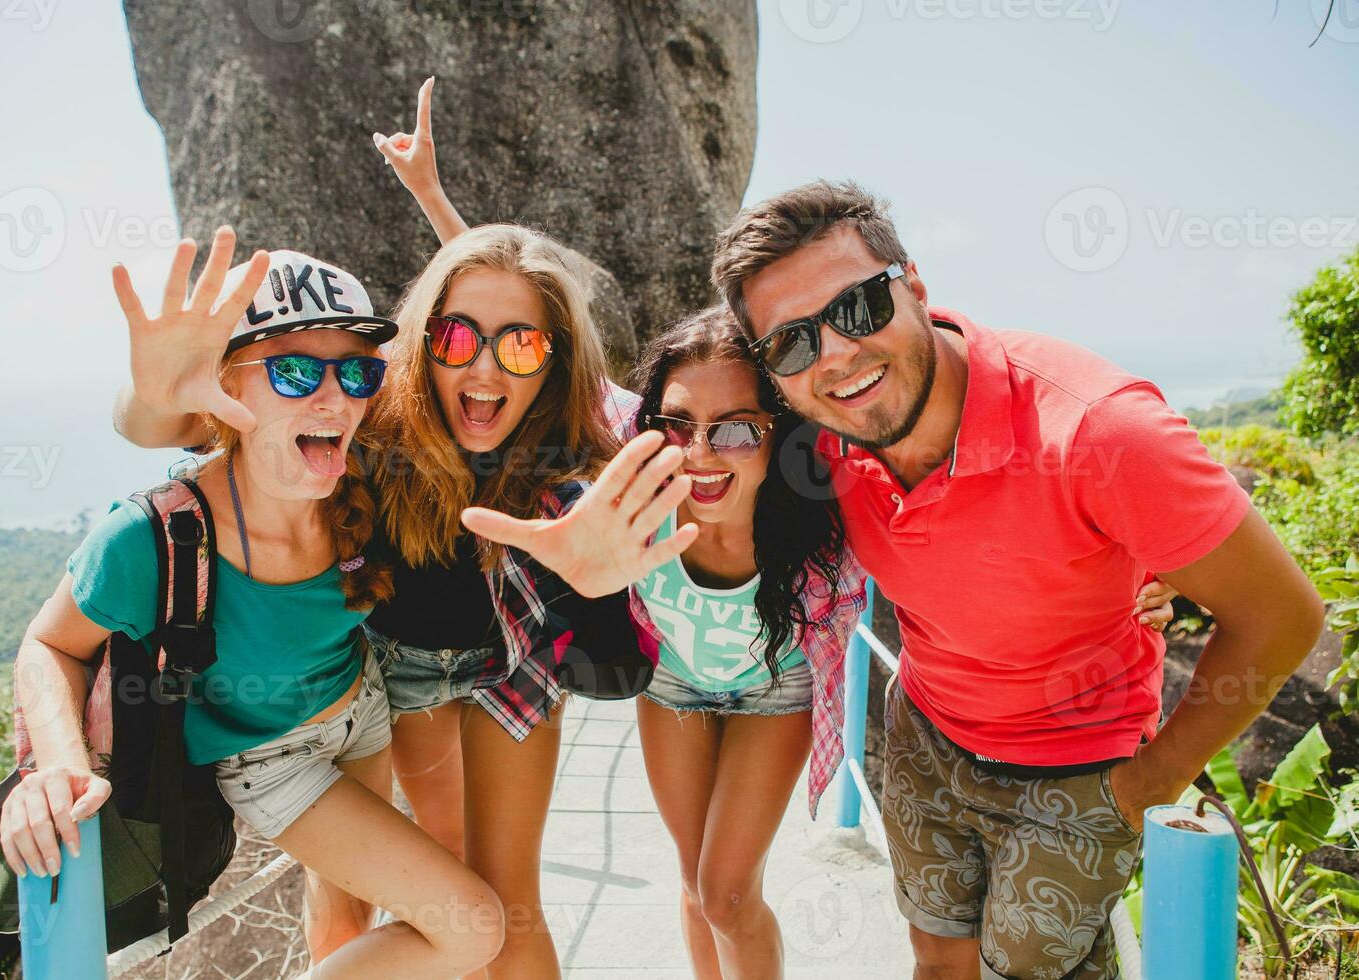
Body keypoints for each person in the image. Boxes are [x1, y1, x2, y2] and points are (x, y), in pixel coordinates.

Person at [379, 82, 1183, 979]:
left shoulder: (826, 492)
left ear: (778, 432)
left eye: (736, 430)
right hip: (672, 689)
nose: (703, 450)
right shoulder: (642, 458)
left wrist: (1144, 566)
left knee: (727, 890)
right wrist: (438, 206)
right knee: (693, 885)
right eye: (679, 425)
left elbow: (968, 487)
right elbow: (516, 332)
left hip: (777, 690)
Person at [467, 179, 1327, 979]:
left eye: (858, 304)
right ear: (780, 377)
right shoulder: (823, 443)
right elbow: (588, 394)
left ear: (913, 282)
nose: (836, 355)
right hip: (922, 738)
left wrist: (1154, 778)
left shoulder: (1098, 431)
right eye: (795, 342)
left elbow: (1281, 614)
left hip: (1078, 768)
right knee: (934, 958)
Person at [113, 222, 662, 976]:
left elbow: (617, 635)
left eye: (522, 345)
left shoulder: (567, 451)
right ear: (421, 340)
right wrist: (143, 398)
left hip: (514, 666)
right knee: (442, 892)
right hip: (398, 676)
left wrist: (599, 589)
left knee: (510, 903)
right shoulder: (365, 415)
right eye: (457, 337)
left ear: (556, 359)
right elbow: (175, 422)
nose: (485, 367)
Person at [1, 230, 503, 979]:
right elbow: (50, 645)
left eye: (358, 373)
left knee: (346, 921)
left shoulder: (362, 475)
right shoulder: (153, 537)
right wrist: (61, 770)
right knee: (475, 928)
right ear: (226, 389)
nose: (336, 397)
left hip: (361, 704)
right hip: (269, 759)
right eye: (297, 371)